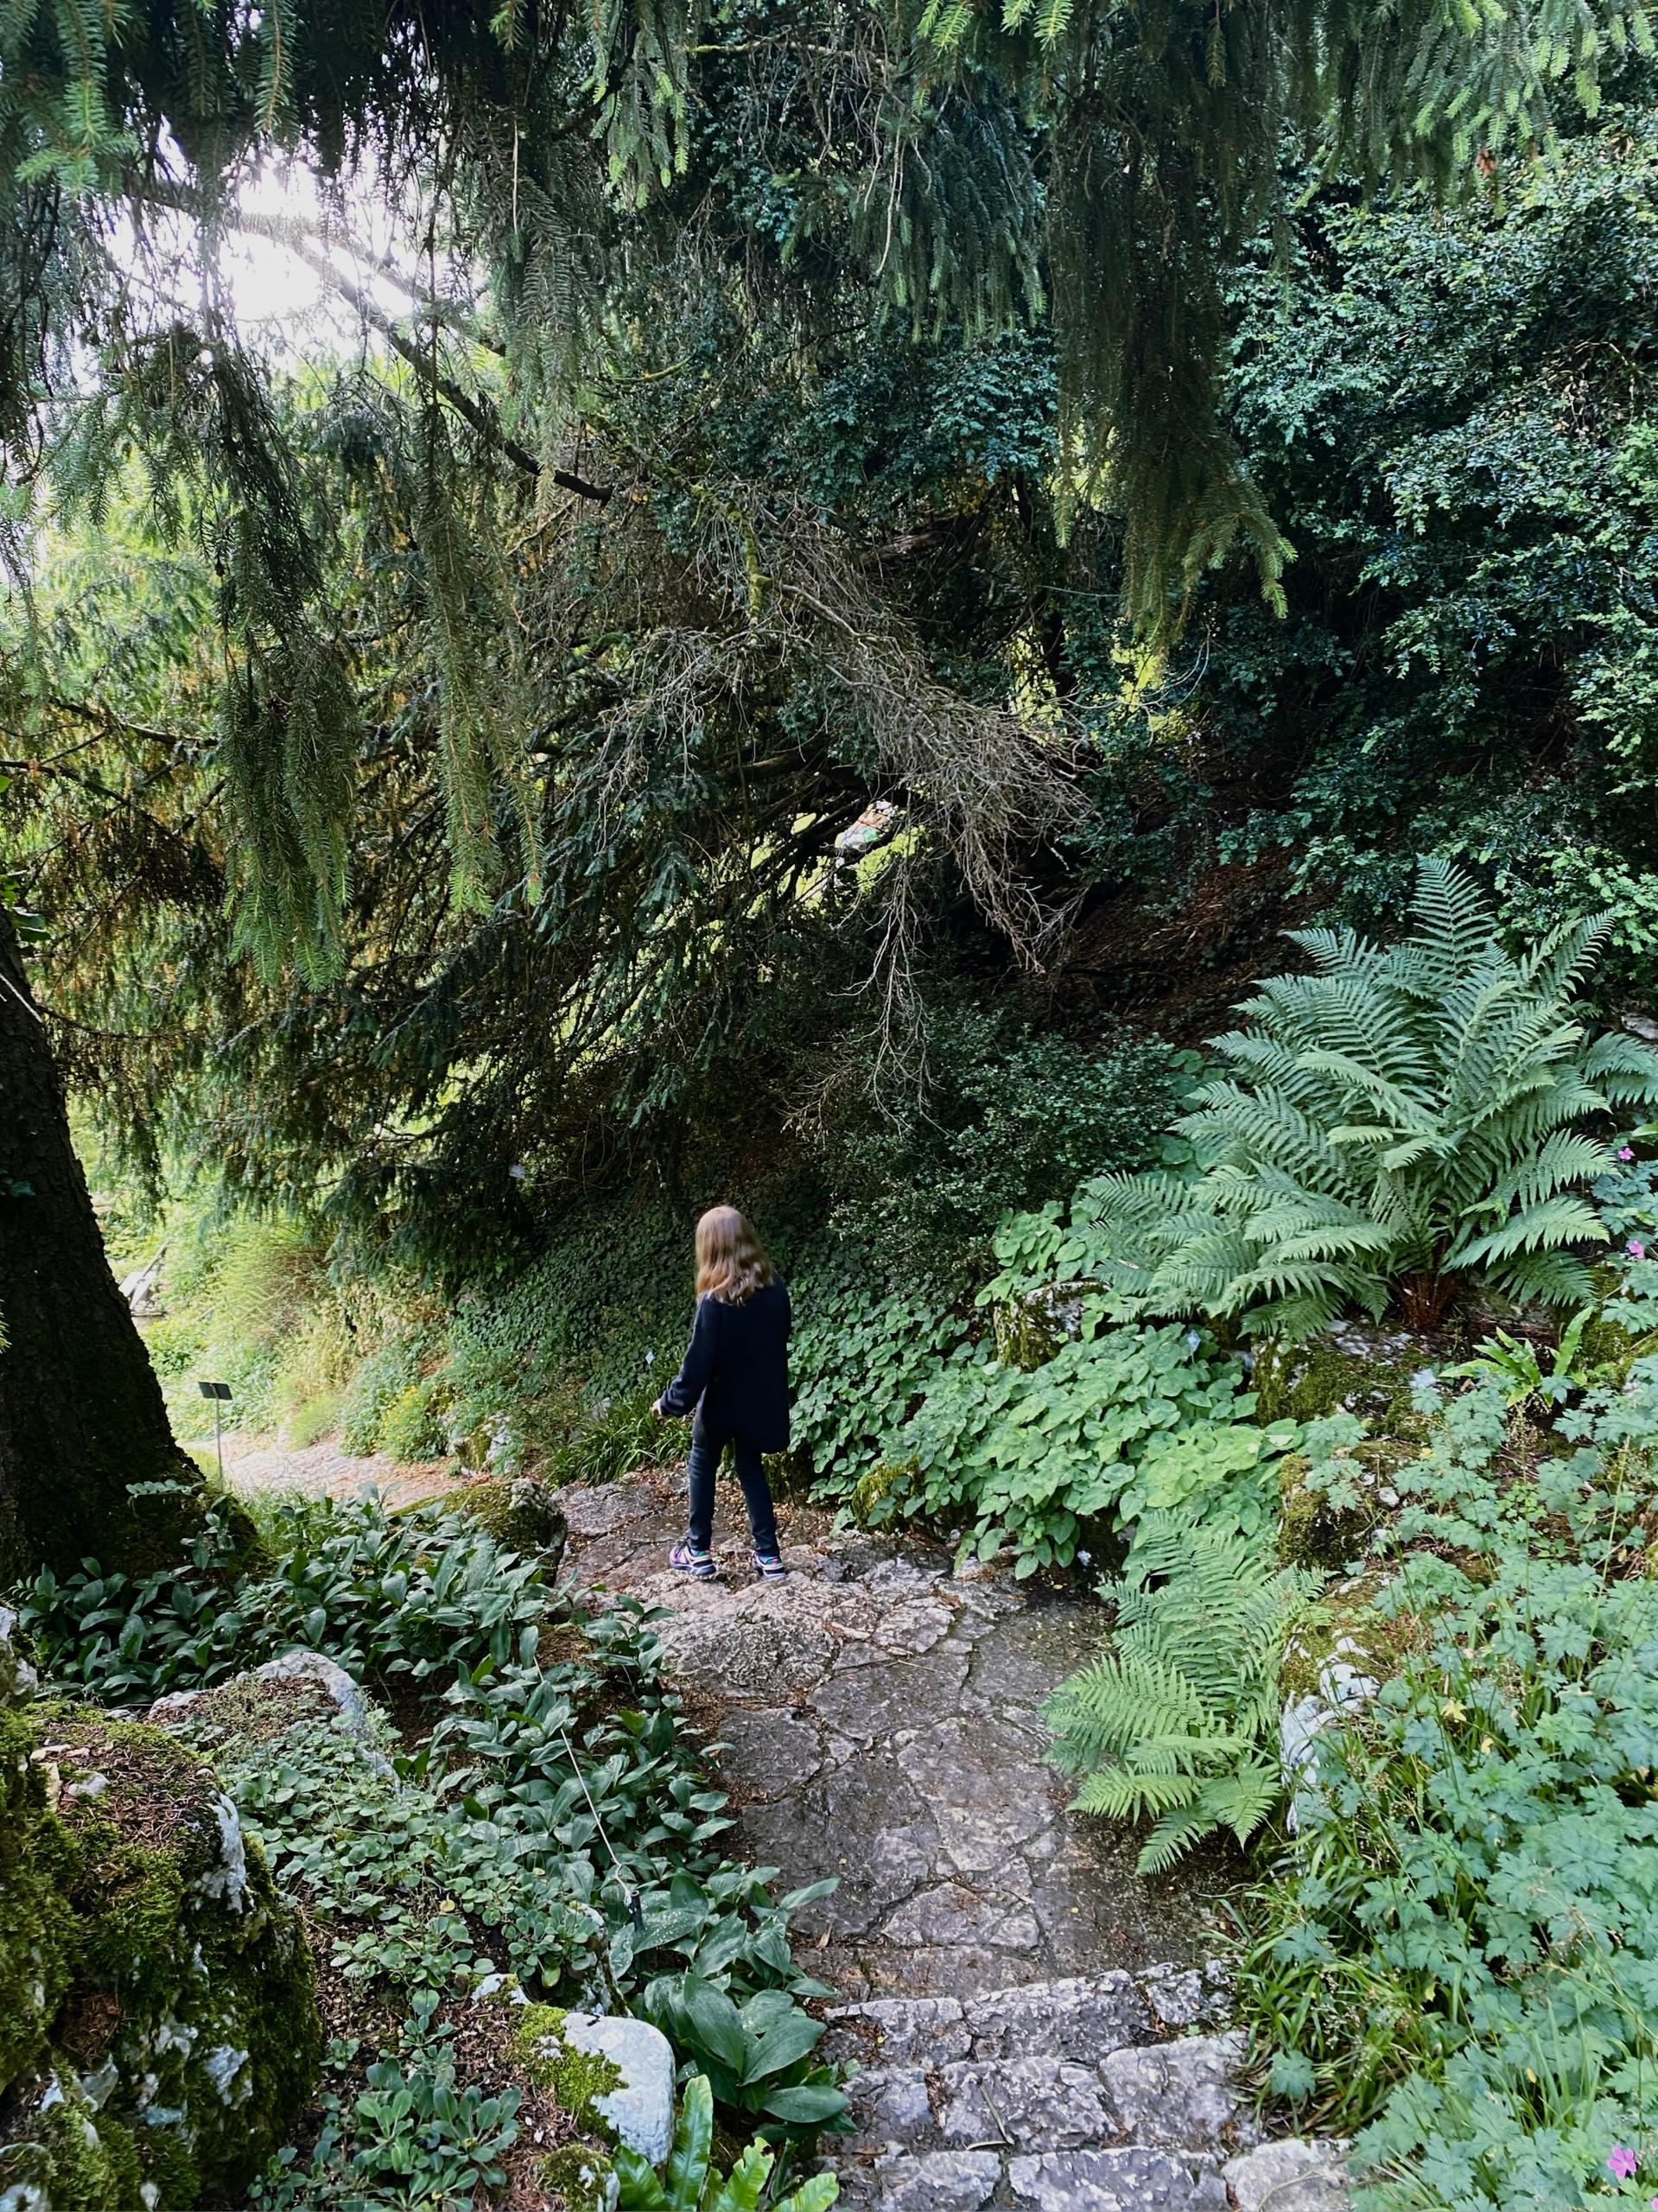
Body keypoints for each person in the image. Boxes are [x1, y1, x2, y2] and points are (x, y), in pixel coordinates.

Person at [653, 1205, 791, 1580]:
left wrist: (669, 1403)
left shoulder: (714, 1301)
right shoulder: (775, 1290)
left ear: (709, 1248)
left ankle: (698, 1551)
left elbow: (697, 1364)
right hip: (760, 1401)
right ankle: (769, 1556)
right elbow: (778, 1344)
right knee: (751, 1466)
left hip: (719, 1406)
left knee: (702, 1464)